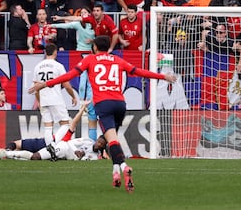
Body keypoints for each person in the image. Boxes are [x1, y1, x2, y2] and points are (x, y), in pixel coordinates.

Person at [28, 35, 177, 193]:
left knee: (112, 140)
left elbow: (70, 75)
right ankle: (115, 173)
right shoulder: (117, 60)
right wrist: (163, 76)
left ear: (95, 48)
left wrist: (46, 83)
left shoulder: (90, 60)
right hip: (120, 104)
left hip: (103, 104)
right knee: (111, 140)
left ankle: (124, 167)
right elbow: (139, 72)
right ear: (108, 48)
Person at [0, 101, 108, 161]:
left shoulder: (94, 156)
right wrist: (82, 109)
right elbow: (69, 139)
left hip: (57, 149)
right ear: (97, 139)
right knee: (35, 157)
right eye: (99, 142)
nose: (98, 144)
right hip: (60, 147)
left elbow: (82, 158)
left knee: (33, 157)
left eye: (101, 144)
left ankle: (7, 154)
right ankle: (6, 153)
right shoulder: (87, 141)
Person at [32, 43, 78, 145]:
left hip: (43, 100)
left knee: (48, 126)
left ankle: (49, 148)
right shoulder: (58, 66)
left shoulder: (38, 66)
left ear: (45, 52)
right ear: (55, 52)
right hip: (56, 99)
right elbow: (66, 84)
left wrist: (39, 101)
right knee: (65, 124)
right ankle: (55, 144)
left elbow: (36, 88)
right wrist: (73, 96)